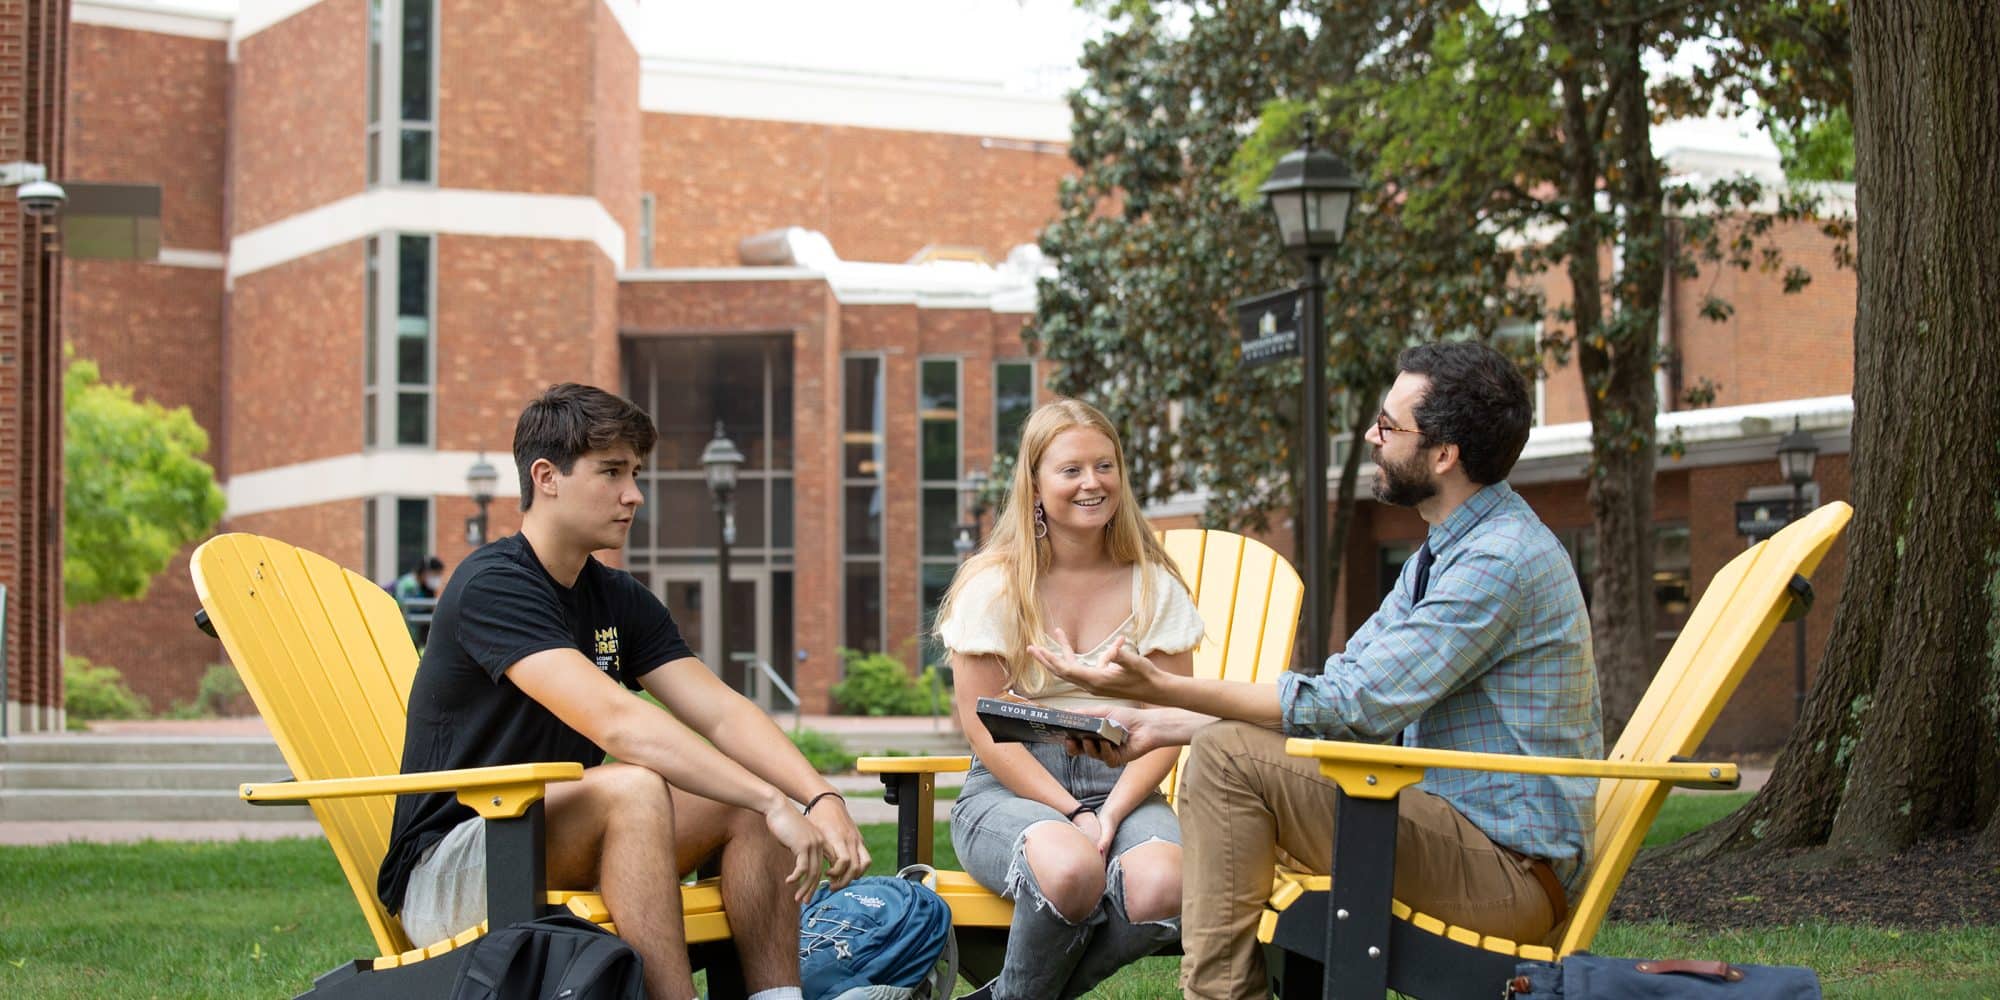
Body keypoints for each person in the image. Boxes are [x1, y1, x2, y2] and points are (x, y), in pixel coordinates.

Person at [1035, 342, 1602, 999]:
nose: (1371, 435)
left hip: (1508, 877)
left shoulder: (1496, 561)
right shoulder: (1448, 550)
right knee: (1224, 751)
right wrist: (1161, 722)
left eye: (1389, 425)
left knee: (1227, 760)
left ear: (1444, 455)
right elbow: (1342, 684)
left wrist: (1161, 687)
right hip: (1460, 842)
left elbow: (1350, 707)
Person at [376, 383, 869, 1000]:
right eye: (611, 472)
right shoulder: (493, 584)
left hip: (550, 835)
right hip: (454, 866)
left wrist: (813, 796)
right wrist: (774, 797)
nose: (633, 494)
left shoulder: (618, 599)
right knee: (635, 787)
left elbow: (720, 712)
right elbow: (616, 722)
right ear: (546, 476)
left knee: (740, 801)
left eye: (635, 473)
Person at [933, 399, 1203, 1000]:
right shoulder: (994, 583)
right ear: (1034, 484)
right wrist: (1071, 812)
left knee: (1163, 882)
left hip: (1127, 782)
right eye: (1071, 469)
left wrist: (1108, 812)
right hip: (1011, 786)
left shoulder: (1153, 585)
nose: (1092, 483)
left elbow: (1169, 722)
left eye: (1104, 466)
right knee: (1071, 870)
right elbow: (983, 729)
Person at [391, 555, 446, 645]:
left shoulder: (427, 588)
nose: (437, 578)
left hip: (418, 636)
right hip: (405, 635)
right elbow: (401, 607)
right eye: (436, 574)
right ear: (425, 572)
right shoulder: (407, 585)